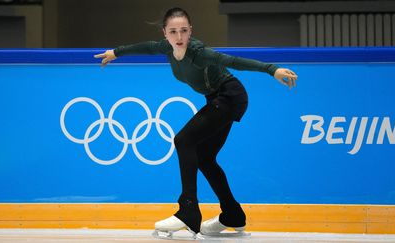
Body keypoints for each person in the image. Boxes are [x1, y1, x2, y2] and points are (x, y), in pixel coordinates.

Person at [95, 7, 297, 238]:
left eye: (183, 31)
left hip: (230, 96)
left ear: (190, 31)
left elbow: (232, 60)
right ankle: (233, 214)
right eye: (173, 32)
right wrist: (116, 52)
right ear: (165, 33)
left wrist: (272, 70)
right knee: (204, 158)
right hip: (219, 99)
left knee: (183, 140)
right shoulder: (167, 48)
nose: (179, 37)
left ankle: (188, 211)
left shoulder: (198, 52)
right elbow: (147, 47)